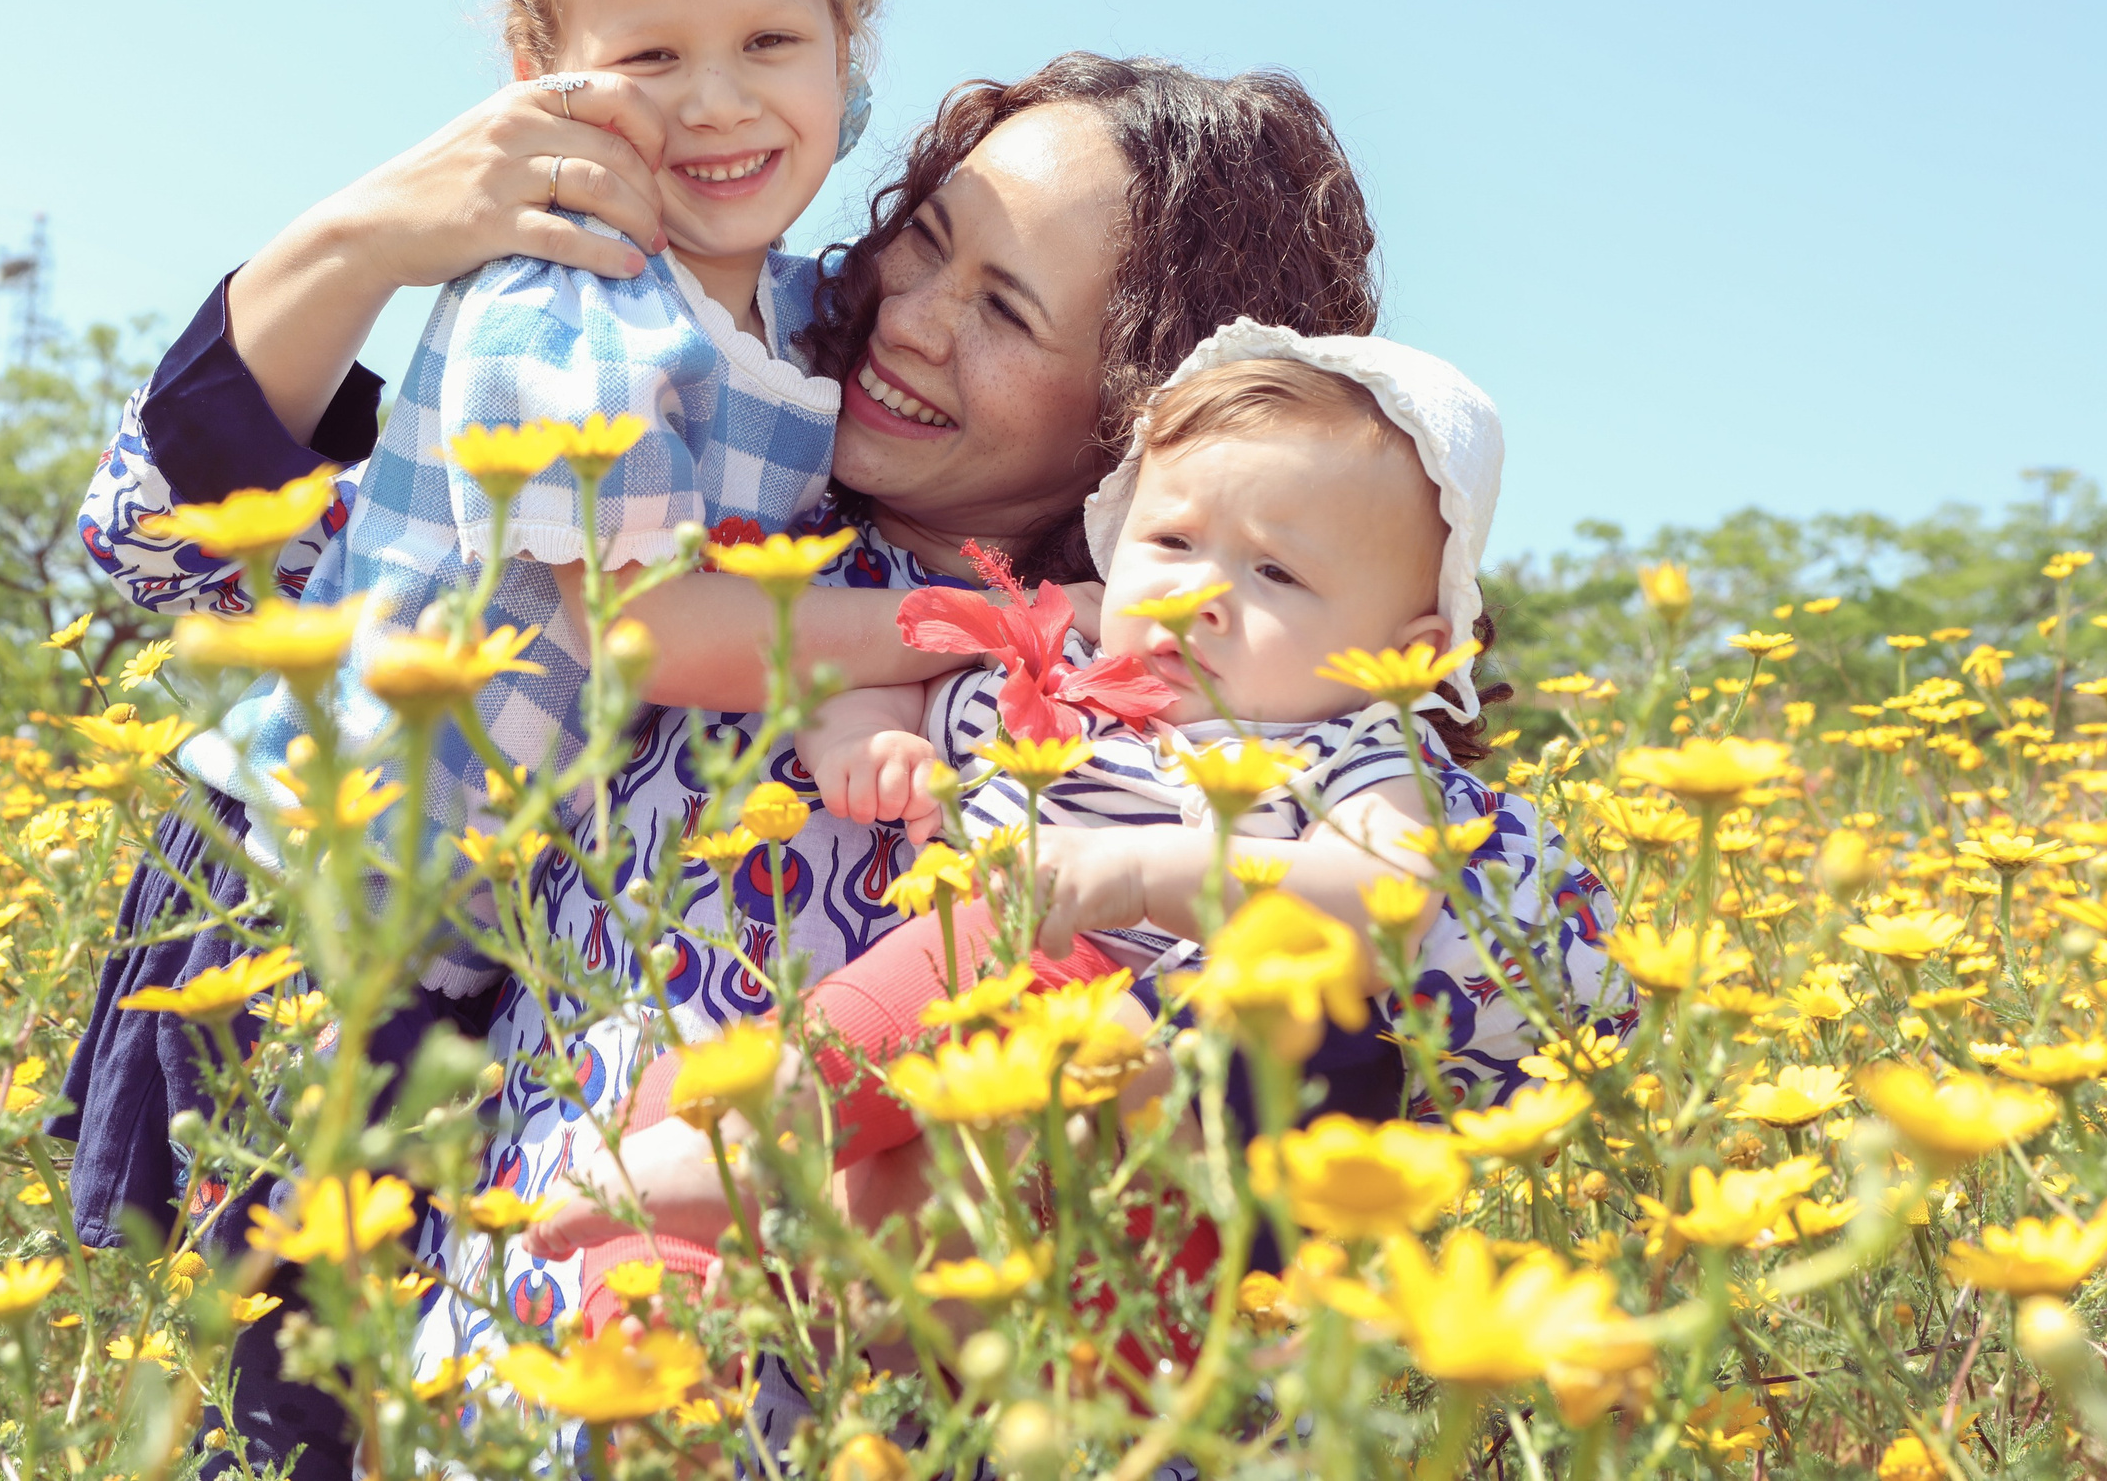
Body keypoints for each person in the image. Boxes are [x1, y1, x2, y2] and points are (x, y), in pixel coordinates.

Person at [70, 37, 1380, 1472]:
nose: (911, 320)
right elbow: (159, 544)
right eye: (923, 239)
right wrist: (366, 236)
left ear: (1146, 409)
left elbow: (1369, 1026)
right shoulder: (689, 500)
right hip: (481, 1376)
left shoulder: (1194, 691)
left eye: (1005, 309)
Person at [526, 338, 1630, 1354]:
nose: (1199, 597)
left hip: (1171, 1123)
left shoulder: (1349, 744)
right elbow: (892, 681)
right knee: (681, 1085)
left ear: (1412, 650)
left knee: (999, 939)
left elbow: (1383, 889)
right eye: (1173, 542)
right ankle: (657, 1376)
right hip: (965, 1104)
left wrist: (1142, 874)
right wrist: (863, 739)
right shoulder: (1056, 672)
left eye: (1277, 575)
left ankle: (765, 1145)